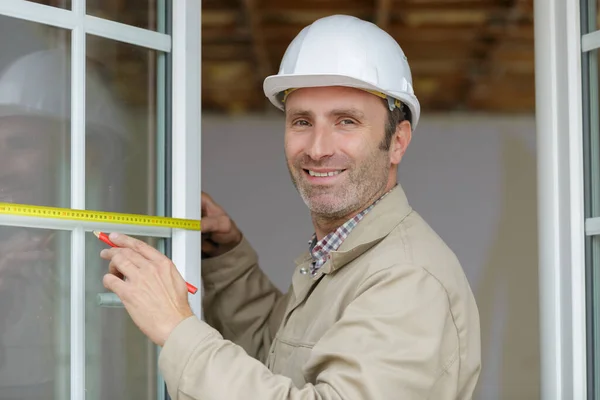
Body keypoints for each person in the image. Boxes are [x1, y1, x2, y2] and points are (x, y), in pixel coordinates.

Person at [100, 14, 482, 399]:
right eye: (302, 121)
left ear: (397, 141)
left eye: (346, 121)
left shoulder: (408, 281)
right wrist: (227, 260)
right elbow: (275, 358)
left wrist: (177, 330)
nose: (317, 149)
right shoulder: (343, 255)